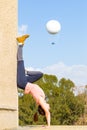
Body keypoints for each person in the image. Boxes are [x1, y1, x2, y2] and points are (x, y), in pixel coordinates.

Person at [16, 34, 50, 128]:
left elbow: (47, 113)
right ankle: (25, 71)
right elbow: (47, 112)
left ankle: (20, 43)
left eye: (48, 108)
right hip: (27, 81)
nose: (49, 108)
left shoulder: (41, 101)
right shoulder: (42, 98)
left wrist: (48, 125)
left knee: (20, 60)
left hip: (23, 82)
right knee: (40, 74)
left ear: (43, 108)